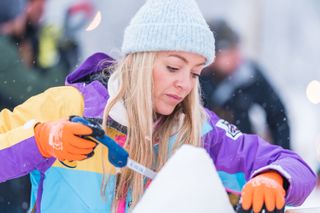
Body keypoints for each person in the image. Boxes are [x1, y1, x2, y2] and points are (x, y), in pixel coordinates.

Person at [0, 0, 316, 213]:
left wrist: (274, 177)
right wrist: (42, 139)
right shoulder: (69, 105)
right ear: (139, 61)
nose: (185, 84)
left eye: (195, 73)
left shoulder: (197, 130)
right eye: (173, 67)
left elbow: (292, 165)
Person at [200, 19, 291, 150]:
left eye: (237, 49)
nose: (237, 56)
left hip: (242, 153)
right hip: (204, 151)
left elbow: (278, 115)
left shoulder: (250, 75)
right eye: (229, 52)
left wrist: (282, 154)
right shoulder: (197, 77)